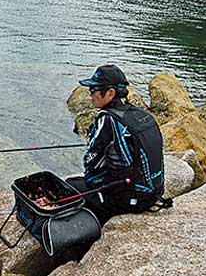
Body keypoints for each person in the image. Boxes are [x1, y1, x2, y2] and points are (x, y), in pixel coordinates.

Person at [67, 64, 171, 225]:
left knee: (69, 186)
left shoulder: (108, 119)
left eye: (93, 90)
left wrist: (96, 185)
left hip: (129, 200)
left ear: (110, 93)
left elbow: (90, 163)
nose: (91, 95)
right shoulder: (140, 114)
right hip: (153, 193)